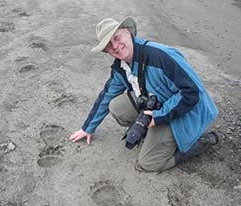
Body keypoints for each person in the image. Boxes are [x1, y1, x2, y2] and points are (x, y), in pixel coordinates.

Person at [69, 17, 219, 172]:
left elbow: (193, 93)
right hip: (160, 105)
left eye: (116, 37)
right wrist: (88, 128)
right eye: (108, 44)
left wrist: (160, 116)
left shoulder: (161, 56)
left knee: (148, 163)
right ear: (106, 50)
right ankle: (156, 135)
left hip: (190, 111)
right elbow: (106, 96)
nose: (115, 46)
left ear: (128, 32)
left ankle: (202, 141)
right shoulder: (120, 67)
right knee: (116, 107)